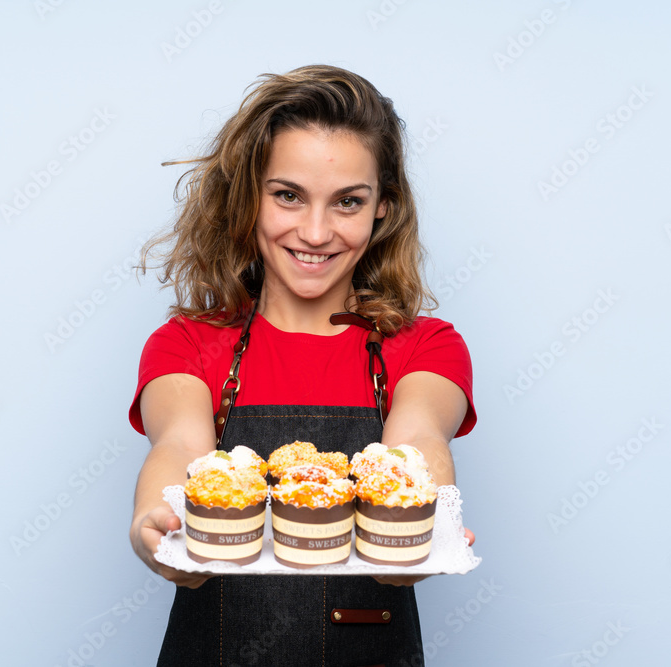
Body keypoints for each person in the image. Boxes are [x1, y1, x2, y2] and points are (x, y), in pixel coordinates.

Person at [127, 64, 476, 667]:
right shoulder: (187, 343)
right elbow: (182, 445)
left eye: (347, 202)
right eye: (288, 195)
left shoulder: (425, 346)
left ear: (382, 211)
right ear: (249, 199)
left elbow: (415, 444)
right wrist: (154, 528)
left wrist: (423, 522)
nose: (315, 232)